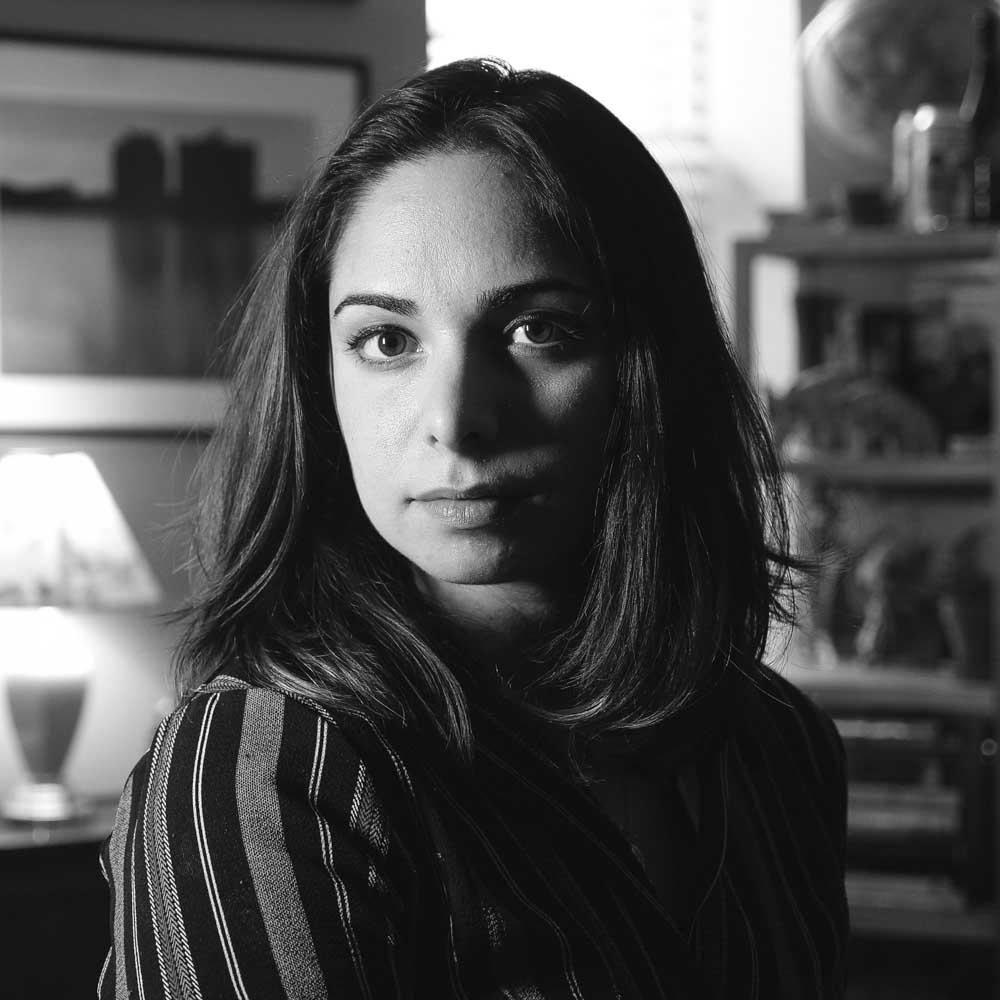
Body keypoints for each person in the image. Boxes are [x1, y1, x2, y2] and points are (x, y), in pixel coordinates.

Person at [98, 59, 848, 999]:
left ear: (652, 362)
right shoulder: (261, 770)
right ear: (321, 387)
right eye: (387, 341)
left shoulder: (779, 745)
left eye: (539, 330)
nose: (457, 420)